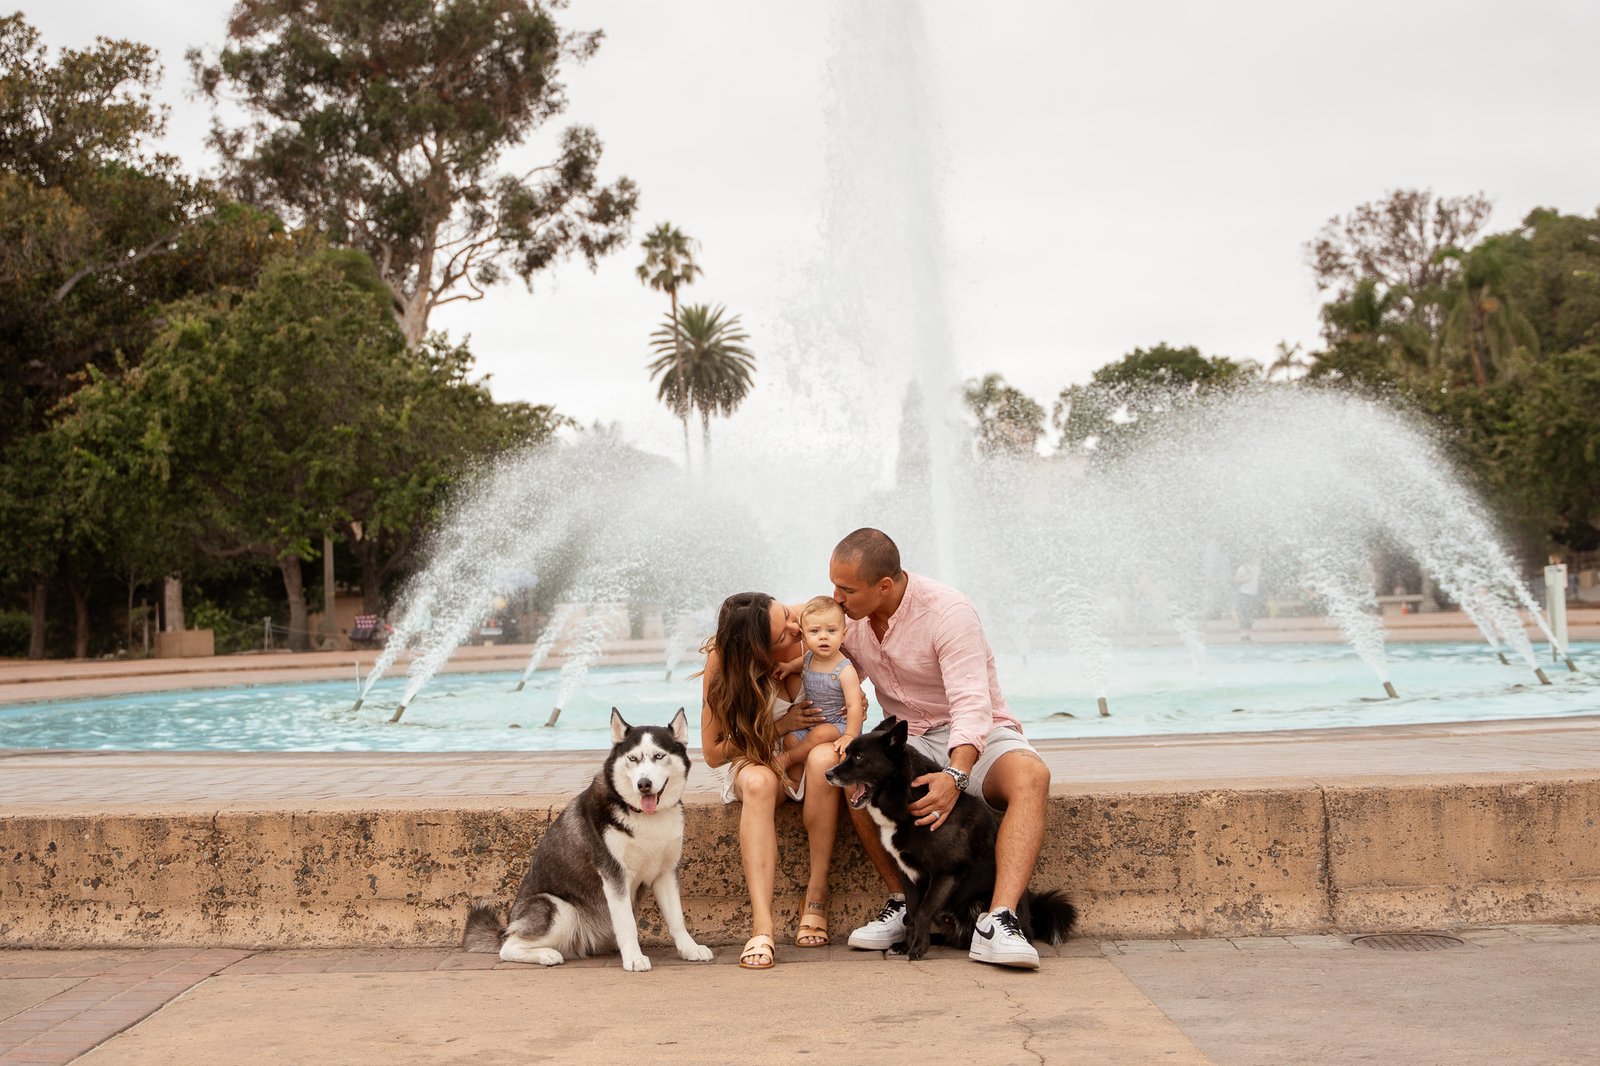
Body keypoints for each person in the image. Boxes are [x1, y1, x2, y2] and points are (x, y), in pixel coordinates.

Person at [829, 527, 1054, 969]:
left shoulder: (948, 613)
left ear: (885, 586)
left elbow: (973, 705)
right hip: (908, 737)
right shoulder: (847, 616)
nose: (835, 597)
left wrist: (955, 775)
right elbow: (803, 648)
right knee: (851, 770)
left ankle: (1000, 919)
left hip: (970, 731)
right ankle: (904, 905)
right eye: (834, 584)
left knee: (1032, 776)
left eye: (846, 589)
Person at [698, 592, 850, 970]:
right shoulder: (722, 662)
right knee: (759, 784)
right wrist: (778, 725)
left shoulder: (810, 620)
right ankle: (762, 927)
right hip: (759, 755)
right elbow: (714, 753)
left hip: (807, 752)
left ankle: (816, 895)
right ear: (756, 651)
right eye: (783, 636)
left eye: (787, 614)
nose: (797, 630)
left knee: (824, 759)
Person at [778, 596, 867, 762]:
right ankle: (796, 782)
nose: (823, 637)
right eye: (814, 631)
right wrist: (788, 667)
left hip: (839, 724)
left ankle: (787, 760)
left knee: (819, 734)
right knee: (790, 740)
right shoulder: (809, 657)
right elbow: (800, 663)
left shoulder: (845, 670)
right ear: (804, 637)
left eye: (831, 631)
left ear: (843, 634)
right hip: (814, 723)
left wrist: (850, 734)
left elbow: (854, 705)